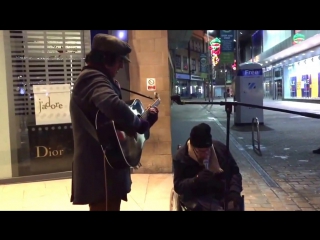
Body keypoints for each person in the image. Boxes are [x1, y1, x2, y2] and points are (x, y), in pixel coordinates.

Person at [69, 34, 159, 211]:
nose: (121, 66)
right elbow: (112, 104)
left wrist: (144, 120)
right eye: (119, 61)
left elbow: (110, 123)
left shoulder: (98, 79)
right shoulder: (93, 78)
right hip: (99, 167)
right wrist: (139, 124)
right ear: (105, 59)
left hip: (106, 163)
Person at [173, 123, 243, 211]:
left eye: (208, 150)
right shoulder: (181, 157)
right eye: (202, 151)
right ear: (193, 148)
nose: (206, 154)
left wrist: (234, 191)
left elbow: (234, 172)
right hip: (195, 195)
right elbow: (178, 186)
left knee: (233, 205)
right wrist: (195, 180)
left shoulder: (220, 150)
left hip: (219, 191)